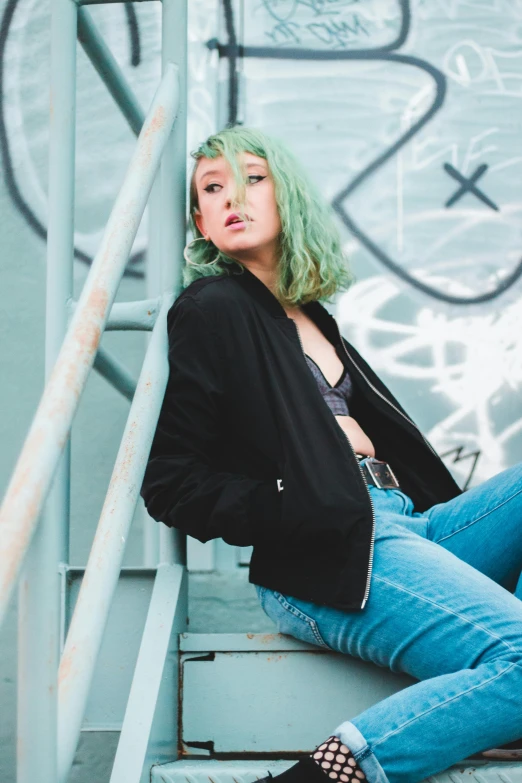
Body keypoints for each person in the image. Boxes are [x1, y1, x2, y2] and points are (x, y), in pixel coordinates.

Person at [140, 126, 522, 783]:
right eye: (212, 187)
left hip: (403, 523)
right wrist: (291, 502)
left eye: (252, 178)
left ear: (286, 193)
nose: (233, 196)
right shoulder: (214, 308)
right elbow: (172, 481)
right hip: (326, 546)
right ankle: (323, 775)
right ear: (199, 221)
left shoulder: (313, 315)